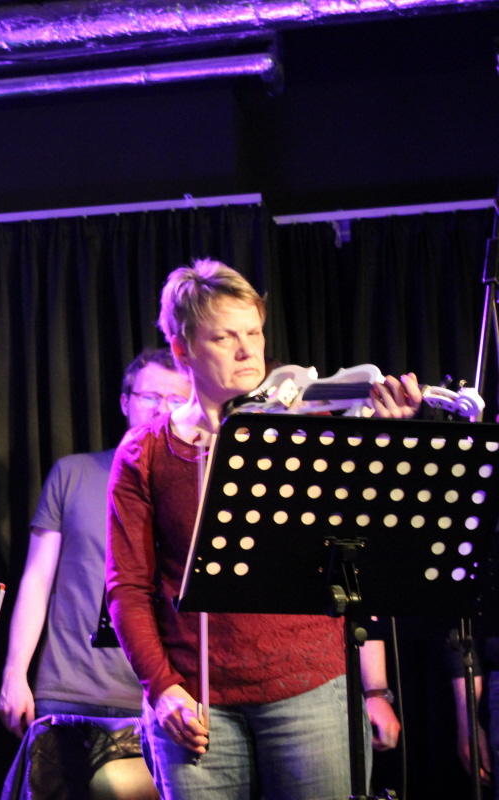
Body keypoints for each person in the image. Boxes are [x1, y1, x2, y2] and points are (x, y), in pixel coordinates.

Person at [106, 259, 413, 799]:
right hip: (196, 700)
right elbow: (127, 586)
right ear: (182, 349)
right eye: (225, 338)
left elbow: (363, 545)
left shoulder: (306, 427)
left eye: (254, 333)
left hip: (309, 688)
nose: (248, 351)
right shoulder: (146, 451)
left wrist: (386, 447)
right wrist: (163, 688)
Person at [0, 349, 189, 795]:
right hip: (68, 690)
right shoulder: (74, 473)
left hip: (158, 698)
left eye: (177, 400)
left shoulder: (193, 484)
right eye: (151, 396)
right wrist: (14, 673)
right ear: (125, 401)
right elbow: (37, 580)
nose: (162, 409)